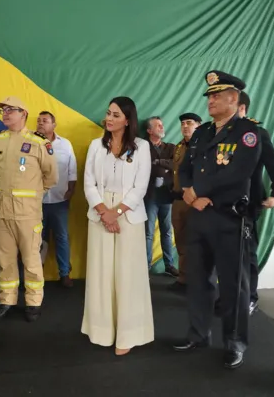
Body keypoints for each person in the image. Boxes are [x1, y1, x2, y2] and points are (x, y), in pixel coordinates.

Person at [172, 71, 261, 370]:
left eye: (216, 96)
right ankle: (198, 334)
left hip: (229, 219)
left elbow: (238, 172)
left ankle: (235, 343)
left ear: (233, 99)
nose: (210, 100)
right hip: (199, 216)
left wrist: (200, 190)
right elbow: (185, 168)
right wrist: (189, 192)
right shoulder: (202, 133)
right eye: (209, 95)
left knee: (234, 287)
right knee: (197, 281)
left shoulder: (248, 132)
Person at [81, 96, 153, 356]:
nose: (109, 118)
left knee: (127, 275)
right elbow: (88, 183)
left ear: (128, 119)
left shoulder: (142, 147)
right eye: (108, 113)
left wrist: (116, 213)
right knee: (101, 273)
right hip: (99, 213)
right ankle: (101, 330)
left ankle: (128, 334)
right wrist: (103, 211)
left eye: (115, 115)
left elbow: (140, 187)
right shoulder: (95, 146)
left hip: (128, 215)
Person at [0, 97, 57, 322]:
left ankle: (33, 301)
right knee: (4, 259)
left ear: (24, 113)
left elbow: (51, 176)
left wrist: (33, 195)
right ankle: (6, 299)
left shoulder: (39, 142)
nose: (6, 113)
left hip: (27, 213)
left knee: (31, 259)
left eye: (11, 110)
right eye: (3, 110)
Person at [237, 91, 274, 314]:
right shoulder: (218, 133)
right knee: (227, 253)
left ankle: (250, 296)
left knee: (247, 252)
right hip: (221, 203)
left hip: (249, 200)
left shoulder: (255, 132)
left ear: (242, 108)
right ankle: (231, 295)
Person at [37, 111, 77, 287]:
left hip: (60, 200)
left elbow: (72, 169)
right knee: (38, 240)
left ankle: (64, 273)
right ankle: (37, 275)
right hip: (36, 201)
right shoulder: (31, 141)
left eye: (44, 121)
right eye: (38, 121)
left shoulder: (65, 144)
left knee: (62, 237)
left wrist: (71, 191)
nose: (40, 123)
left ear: (54, 125)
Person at [169, 112, 202, 291]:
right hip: (178, 201)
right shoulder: (180, 147)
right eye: (182, 123)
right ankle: (183, 279)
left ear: (199, 125)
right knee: (180, 241)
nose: (185, 126)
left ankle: (196, 282)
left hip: (195, 202)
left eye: (189, 123)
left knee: (194, 243)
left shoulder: (204, 146)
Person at [144, 116, 179, 276]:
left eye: (162, 125)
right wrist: (165, 163)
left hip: (166, 195)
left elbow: (176, 164)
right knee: (148, 233)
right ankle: (146, 267)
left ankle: (169, 265)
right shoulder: (142, 147)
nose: (162, 127)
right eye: (158, 125)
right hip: (149, 196)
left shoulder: (171, 147)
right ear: (149, 130)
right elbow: (141, 165)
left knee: (166, 232)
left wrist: (158, 163)